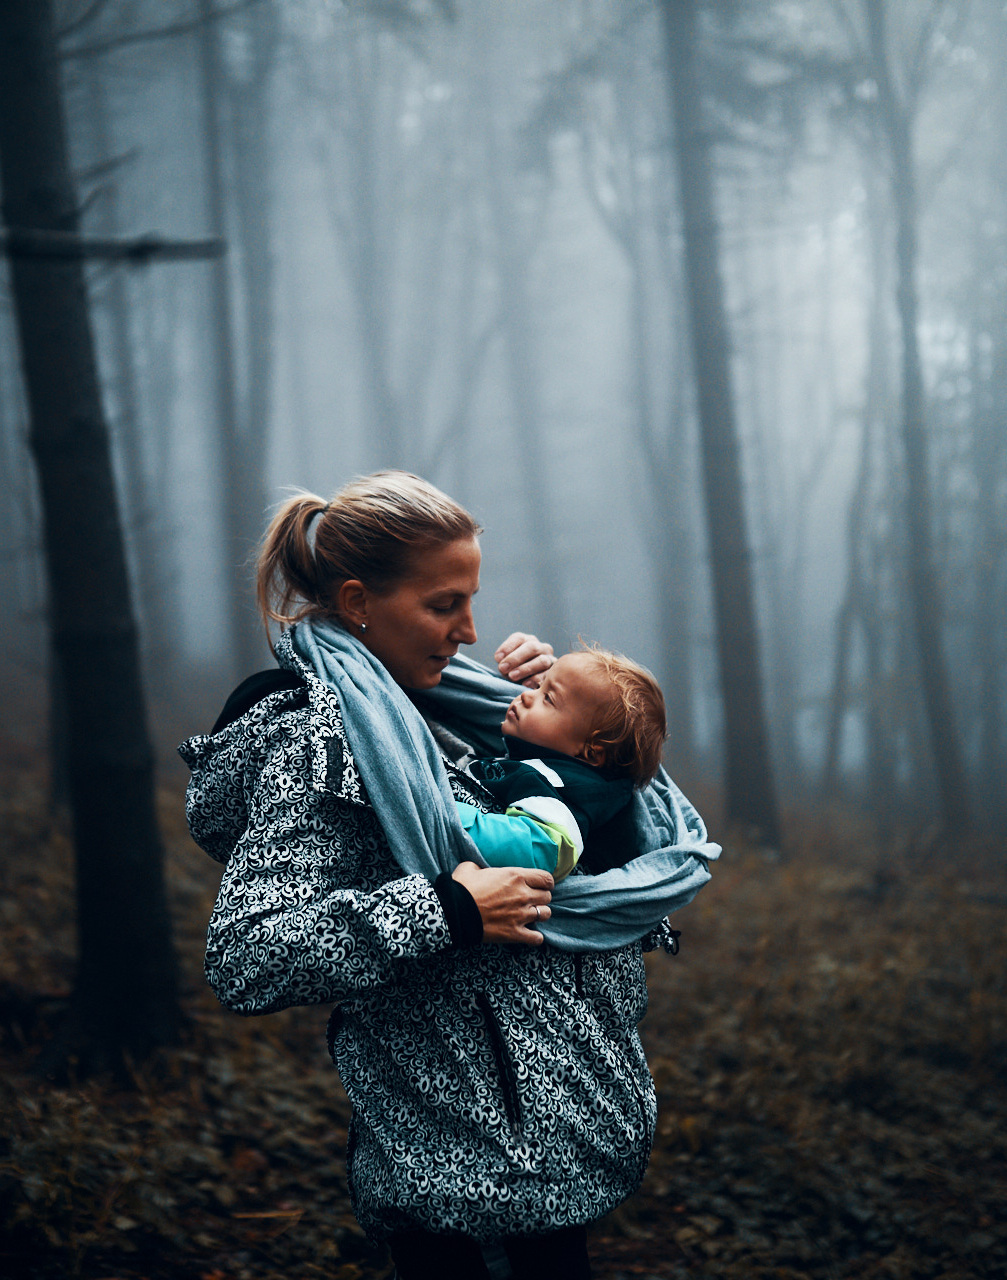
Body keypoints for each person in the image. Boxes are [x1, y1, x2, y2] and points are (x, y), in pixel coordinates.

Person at [181, 471, 715, 1280]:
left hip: (567, 1151)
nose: (468, 631)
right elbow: (248, 956)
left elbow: (594, 839)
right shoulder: (320, 733)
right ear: (359, 601)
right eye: (442, 606)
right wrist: (447, 909)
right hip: (454, 1185)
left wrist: (556, 701)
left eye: (471, 600)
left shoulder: (454, 705)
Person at [456, 645, 668, 882]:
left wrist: (449, 813)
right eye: (538, 687)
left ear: (590, 752)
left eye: (547, 698)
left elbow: (544, 846)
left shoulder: (564, 786)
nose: (525, 695)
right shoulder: (543, 764)